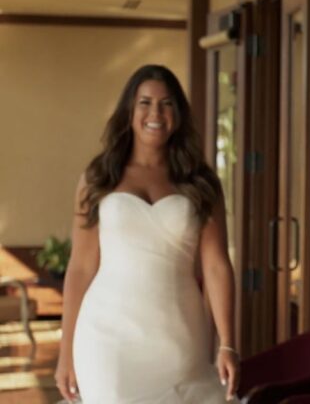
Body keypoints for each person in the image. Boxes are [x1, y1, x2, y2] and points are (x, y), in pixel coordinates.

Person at [55, 65, 240, 403]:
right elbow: (80, 267)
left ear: (179, 114)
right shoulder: (99, 176)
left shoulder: (200, 181)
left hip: (181, 336)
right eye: (145, 102)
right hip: (106, 336)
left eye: (167, 103)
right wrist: (66, 351)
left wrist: (227, 342)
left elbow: (216, 265)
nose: (156, 113)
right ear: (129, 111)